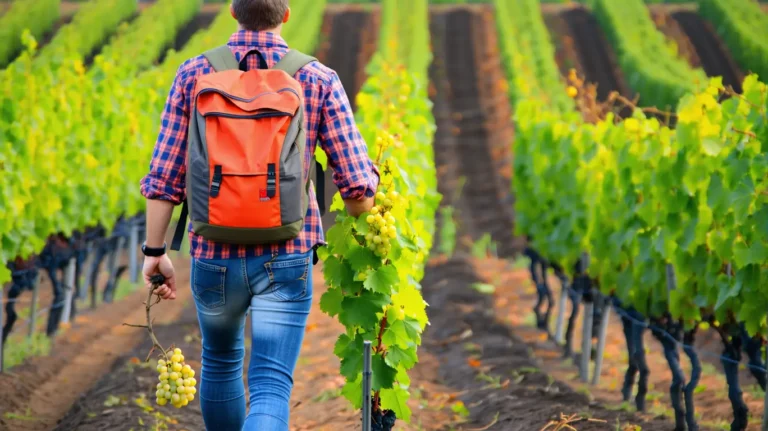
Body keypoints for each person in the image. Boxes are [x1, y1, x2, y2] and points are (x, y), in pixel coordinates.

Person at [138, 0, 379, 429]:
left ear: (233, 13)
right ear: (285, 16)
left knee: (219, 364)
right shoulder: (315, 78)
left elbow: (164, 176)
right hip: (287, 252)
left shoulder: (194, 74)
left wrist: (155, 250)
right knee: (270, 384)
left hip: (213, 250)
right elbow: (358, 191)